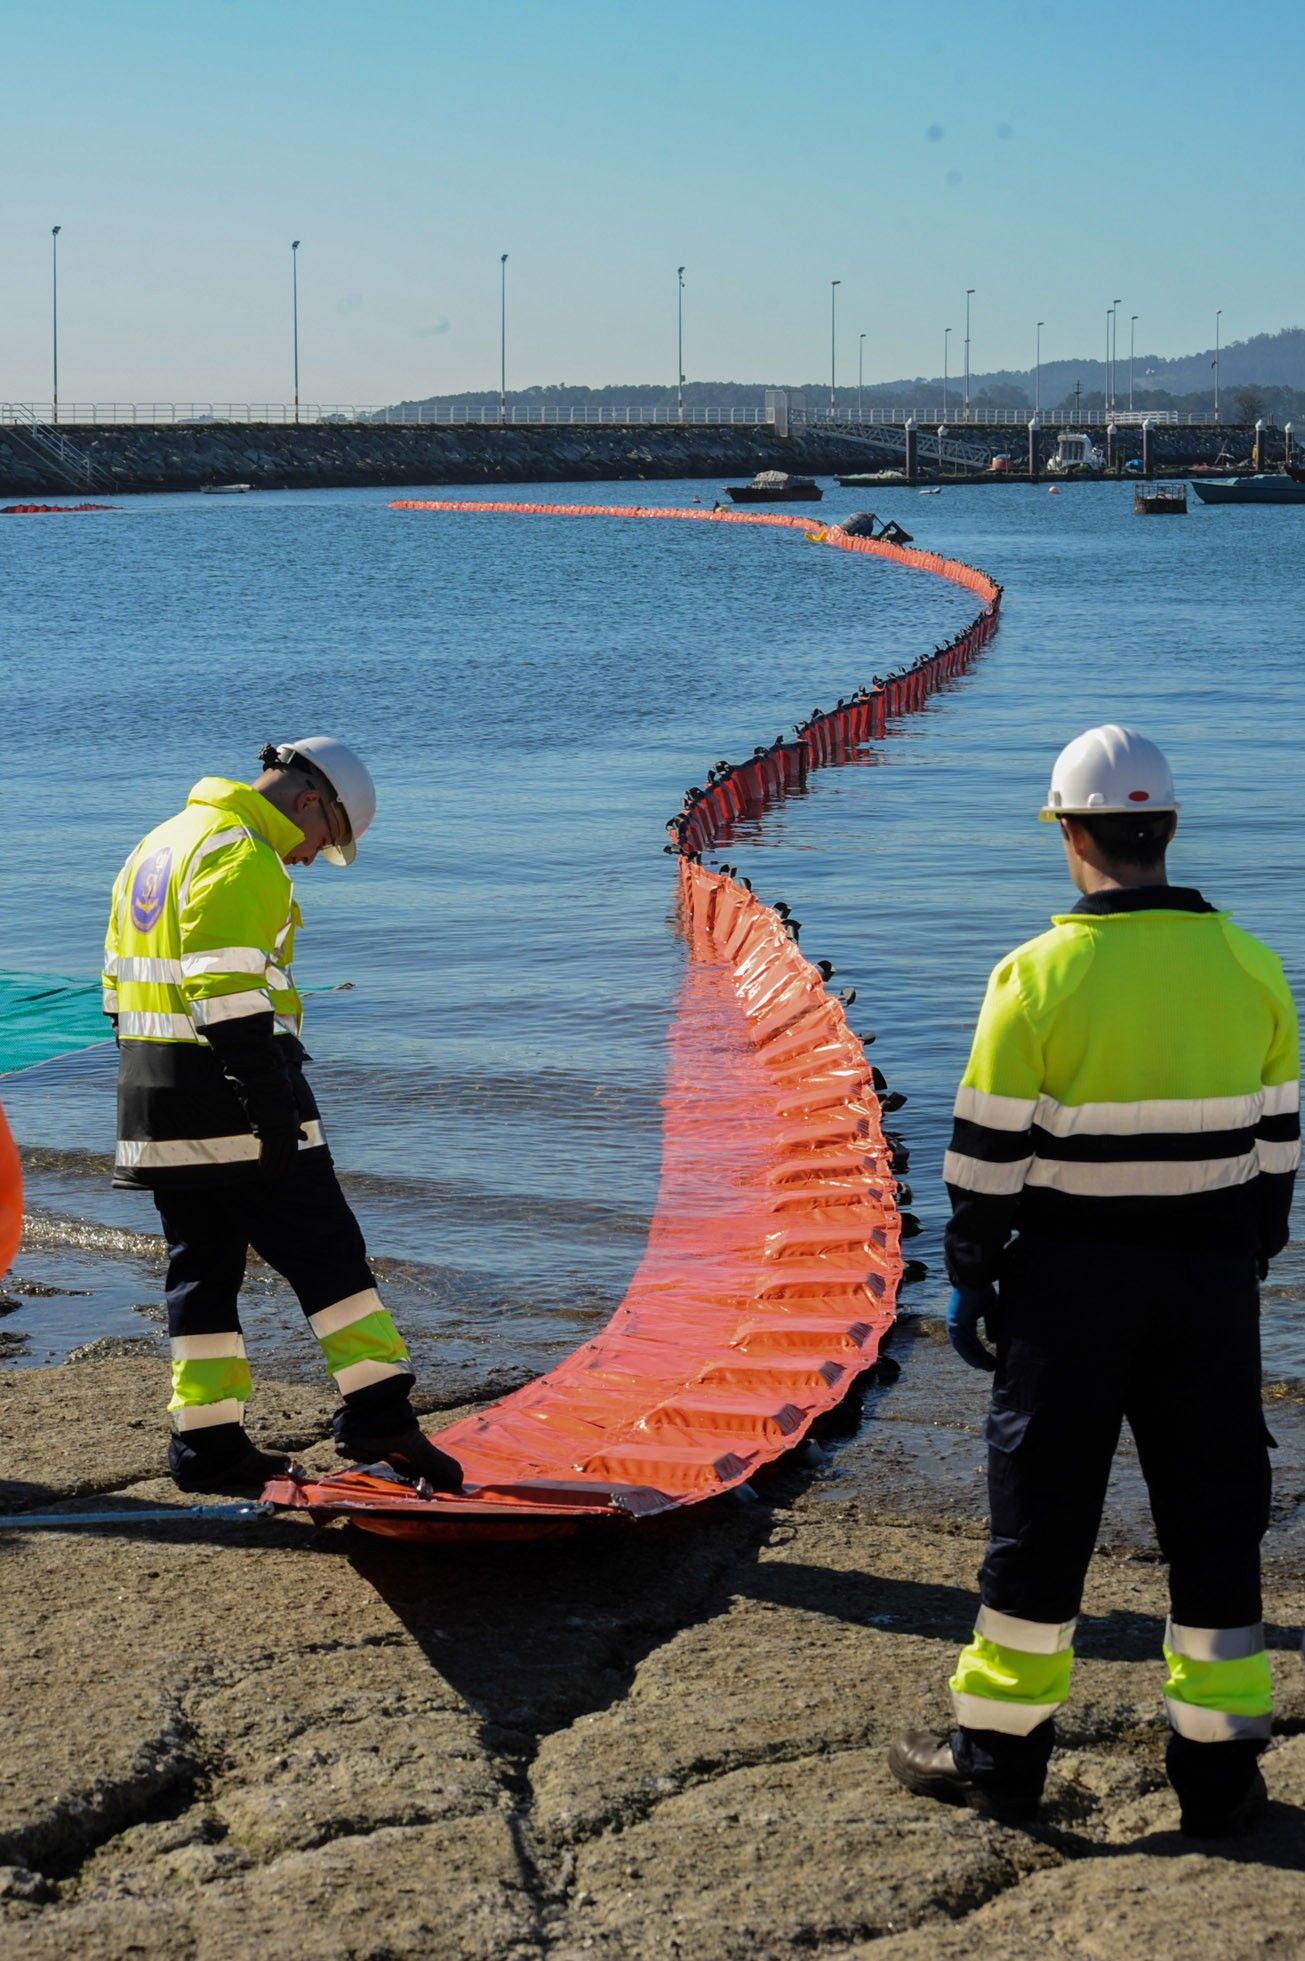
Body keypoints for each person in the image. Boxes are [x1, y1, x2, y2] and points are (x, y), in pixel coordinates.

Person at [889, 725, 1298, 1838]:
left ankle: (999, 1759)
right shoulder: (1252, 964)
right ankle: (1219, 1778)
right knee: (1215, 1522)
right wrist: (1237, 1261)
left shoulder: (1034, 974)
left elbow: (984, 1166)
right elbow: (1277, 1162)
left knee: (1041, 1519)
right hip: (1211, 1285)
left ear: (1069, 834)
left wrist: (972, 1279)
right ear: (1164, 828)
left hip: (1068, 1292)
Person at [102, 737, 462, 1496]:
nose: (310, 857)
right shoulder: (242, 853)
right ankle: (380, 1415)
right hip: (233, 1095)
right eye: (325, 838)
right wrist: (268, 1104)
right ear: (307, 800)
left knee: (202, 1271)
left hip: (154, 1096)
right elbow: (226, 990)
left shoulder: (158, 843)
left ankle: (207, 1443)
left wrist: (159, 1083)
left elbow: (115, 988)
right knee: (330, 1255)